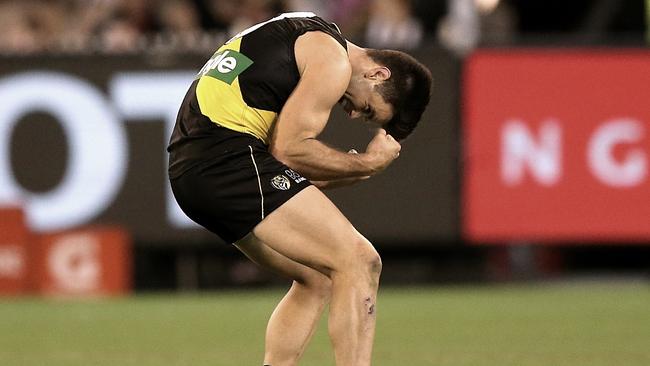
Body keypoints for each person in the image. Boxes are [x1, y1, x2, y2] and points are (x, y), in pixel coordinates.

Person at [167, 11, 432, 366]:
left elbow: (292, 178)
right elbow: (289, 150)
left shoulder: (310, 26)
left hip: (194, 167)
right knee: (360, 261)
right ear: (377, 73)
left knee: (317, 277)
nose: (353, 115)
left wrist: (360, 171)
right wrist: (368, 164)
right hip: (226, 158)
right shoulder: (333, 59)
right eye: (368, 109)